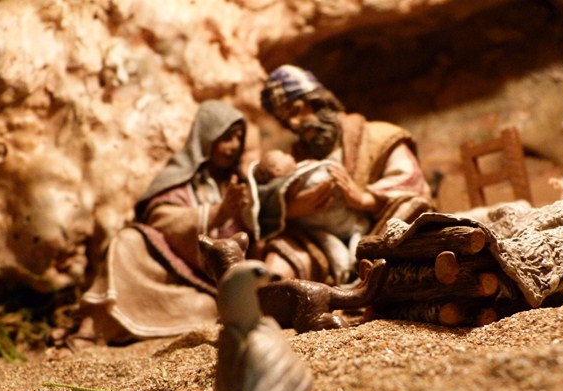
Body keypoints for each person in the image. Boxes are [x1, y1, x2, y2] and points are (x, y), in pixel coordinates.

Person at [77, 100, 250, 345]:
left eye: (238, 138)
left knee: (204, 307)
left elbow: (249, 234)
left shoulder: (237, 183)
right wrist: (216, 214)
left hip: (207, 281)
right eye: (226, 138)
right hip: (167, 266)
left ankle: (121, 328)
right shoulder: (181, 178)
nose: (234, 146)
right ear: (206, 137)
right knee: (128, 240)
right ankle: (94, 325)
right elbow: (161, 219)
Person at [254, 64, 434, 284]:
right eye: (285, 120)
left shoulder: (380, 136)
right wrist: (291, 209)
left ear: (318, 101)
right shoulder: (294, 160)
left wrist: (364, 199)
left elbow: (413, 183)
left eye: (296, 109)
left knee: (411, 209)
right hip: (322, 242)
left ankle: (370, 276)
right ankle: (279, 293)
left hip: (376, 231)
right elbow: (263, 204)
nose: (293, 123)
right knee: (280, 255)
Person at [251, 149, 371, 283]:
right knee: (329, 246)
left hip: (350, 218)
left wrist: (363, 199)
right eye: (283, 155)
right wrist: (287, 208)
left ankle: (354, 262)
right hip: (312, 231)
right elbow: (264, 202)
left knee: (359, 239)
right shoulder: (280, 185)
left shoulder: (306, 165)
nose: (289, 154)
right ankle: (346, 271)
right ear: (277, 171)